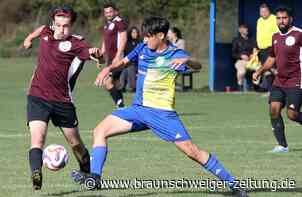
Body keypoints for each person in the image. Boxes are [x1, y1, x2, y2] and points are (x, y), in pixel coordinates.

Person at [72, 16, 248, 197]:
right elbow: (123, 62)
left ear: (161, 35)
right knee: (99, 131)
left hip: (162, 115)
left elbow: (198, 66)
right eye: (144, 36)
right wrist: (107, 69)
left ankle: (234, 185)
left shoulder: (174, 55)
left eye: (149, 36)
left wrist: (188, 61)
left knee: (192, 151)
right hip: (138, 110)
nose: (145, 40)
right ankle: (95, 178)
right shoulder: (142, 48)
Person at [23, 6, 102, 190]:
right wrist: (28, 39)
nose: (61, 30)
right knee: (37, 139)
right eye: (58, 25)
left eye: (66, 26)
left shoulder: (77, 43)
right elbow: (39, 30)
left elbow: (94, 54)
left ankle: (87, 174)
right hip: (37, 97)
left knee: (75, 144)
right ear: (53, 24)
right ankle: (36, 173)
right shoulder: (46, 31)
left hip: (62, 102)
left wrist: (98, 54)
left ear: (72, 26)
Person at [253, 6, 302, 153]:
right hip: (279, 81)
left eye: (284, 18)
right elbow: (271, 58)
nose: (281, 21)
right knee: (273, 110)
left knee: (292, 114)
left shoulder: (299, 34)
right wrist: (259, 71)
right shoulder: (275, 36)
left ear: (290, 19)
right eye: (279, 18)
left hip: (296, 80)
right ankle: (282, 145)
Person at [99, 2, 128, 108]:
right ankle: (121, 106)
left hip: (117, 58)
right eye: (106, 12)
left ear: (116, 11)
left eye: (110, 12)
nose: (108, 14)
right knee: (115, 83)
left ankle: (120, 105)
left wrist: (118, 56)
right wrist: (100, 55)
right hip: (110, 59)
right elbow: (105, 40)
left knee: (107, 82)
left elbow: (123, 39)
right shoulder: (107, 24)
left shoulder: (119, 22)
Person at [256, 3, 279, 92]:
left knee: (272, 69)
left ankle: (285, 86)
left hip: (272, 48)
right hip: (262, 49)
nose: (263, 13)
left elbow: (278, 33)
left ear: (269, 11)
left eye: (265, 11)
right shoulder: (259, 20)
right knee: (267, 71)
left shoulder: (274, 18)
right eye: (261, 11)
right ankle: (271, 91)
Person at [231, 24, 256, 91]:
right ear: (240, 30)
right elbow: (233, 54)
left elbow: (255, 51)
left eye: (246, 28)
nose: (246, 30)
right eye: (244, 28)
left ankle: (256, 87)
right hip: (240, 61)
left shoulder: (252, 40)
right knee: (241, 72)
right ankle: (240, 87)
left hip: (251, 61)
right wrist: (241, 56)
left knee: (260, 69)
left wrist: (253, 55)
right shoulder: (236, 40)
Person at [120, 26, 141, 92]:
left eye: (136, 32)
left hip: (136, 63)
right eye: (133, 32)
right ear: (130, 33)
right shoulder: (127, 42)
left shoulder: (140, 43)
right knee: (123, 70)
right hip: (127, 62)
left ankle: (133, 87)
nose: (135, 34)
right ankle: (122, 86)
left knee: (130, 68)